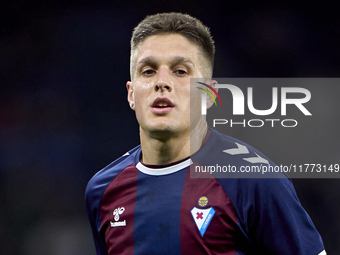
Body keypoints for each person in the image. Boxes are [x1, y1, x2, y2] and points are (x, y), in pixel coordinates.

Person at [85, 12, 326, 254]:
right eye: (148, 71)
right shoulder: (103, 190)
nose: (162, 82)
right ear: (131, 93)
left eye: (180, 71)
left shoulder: (254, 180)